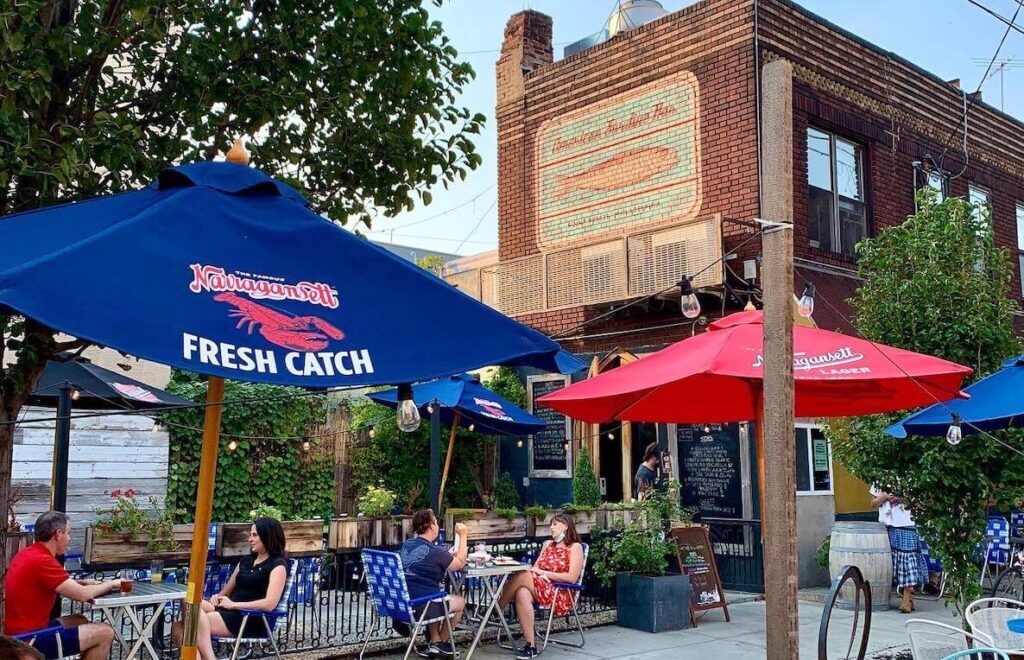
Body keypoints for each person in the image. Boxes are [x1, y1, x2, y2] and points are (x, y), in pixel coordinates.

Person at [4, 511, 118, 660]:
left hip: (15, 636)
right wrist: (113, 583)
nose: (69, 539)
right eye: (68, 533)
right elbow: (83, 595)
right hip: (29, 641)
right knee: (105, 632)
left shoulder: (28, 554)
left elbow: (49, 583)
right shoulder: (44, 561)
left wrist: (82, 582)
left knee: (79, 620)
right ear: (58, 534)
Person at [171, 517, 289, 660]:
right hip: (227, 610)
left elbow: (269, 604)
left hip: (249, 617)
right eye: (250, 535)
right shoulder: (246, 561)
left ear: (268, 536)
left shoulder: (278, 565)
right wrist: (217, 597)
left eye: (254, 535)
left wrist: (234, 605)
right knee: (187, 603)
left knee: (191, 622)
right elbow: (226, 591)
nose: (250, 539)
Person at [497, 513, 585, 660]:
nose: (551, 527)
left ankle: (496, 609)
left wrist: (543, 573)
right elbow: (535, 568)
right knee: (522, 592)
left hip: (560, 592)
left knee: (523, 575)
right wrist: (539, 569)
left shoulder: (575, 547)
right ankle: (530, 646)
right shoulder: (549, 545)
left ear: (566, 526)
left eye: (555, 524)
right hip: (540, 587)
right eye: (551, 524)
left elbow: (571, 578)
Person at [398, 510, 467, 658]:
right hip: (421, 605)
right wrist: (463, 535)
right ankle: (439, 643)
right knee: (460, 602)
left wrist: (447, 555)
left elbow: (427, 561)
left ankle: (436, 641)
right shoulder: (435, 551)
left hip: (402, 603)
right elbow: (460, 564)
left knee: (433, 592)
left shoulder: (407, 545)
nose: (437, 525)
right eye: (436, 522)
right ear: (430, 525)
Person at [871, 486, 927, 613]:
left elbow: (921, 502)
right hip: (887, 525)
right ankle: (909, 597)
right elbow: (873, 504)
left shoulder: (907, 477)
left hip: (906, 522)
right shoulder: (878, 481)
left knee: (907, 561)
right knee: (893, 562)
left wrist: (902, 498)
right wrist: (885, 496)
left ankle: (907, 596)